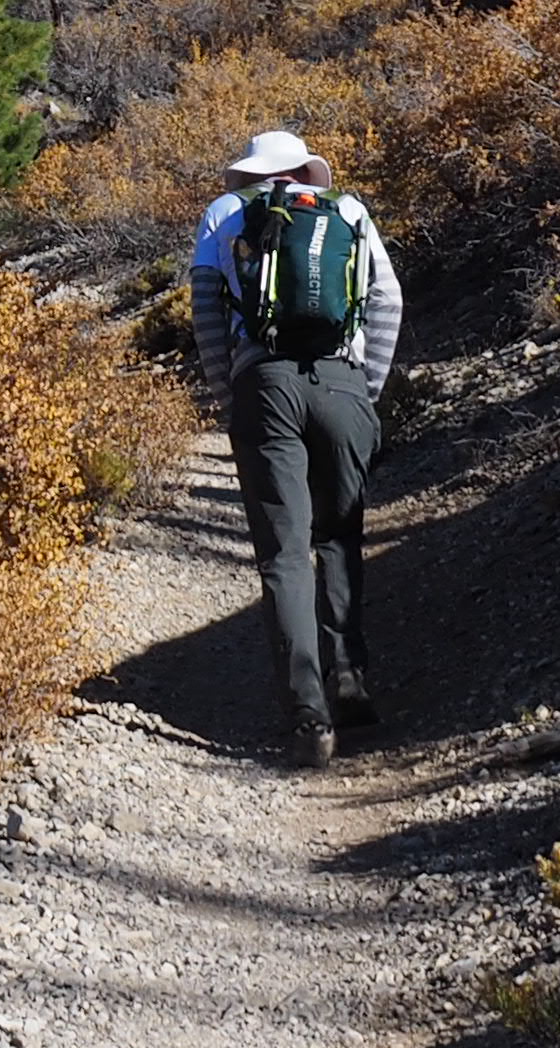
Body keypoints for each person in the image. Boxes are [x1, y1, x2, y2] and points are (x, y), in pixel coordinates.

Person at [190, 125, 402, 766]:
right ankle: (349, 673)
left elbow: (206, 314)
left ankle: (309, 714)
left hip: (264, 386)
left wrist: (230, 397)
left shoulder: (224, 213)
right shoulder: (350, 211)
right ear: (303, 170)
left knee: (284, 554)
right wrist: (365, 389)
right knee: (339, 535)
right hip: (341, 383)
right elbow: (388, 300)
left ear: (251, 173)